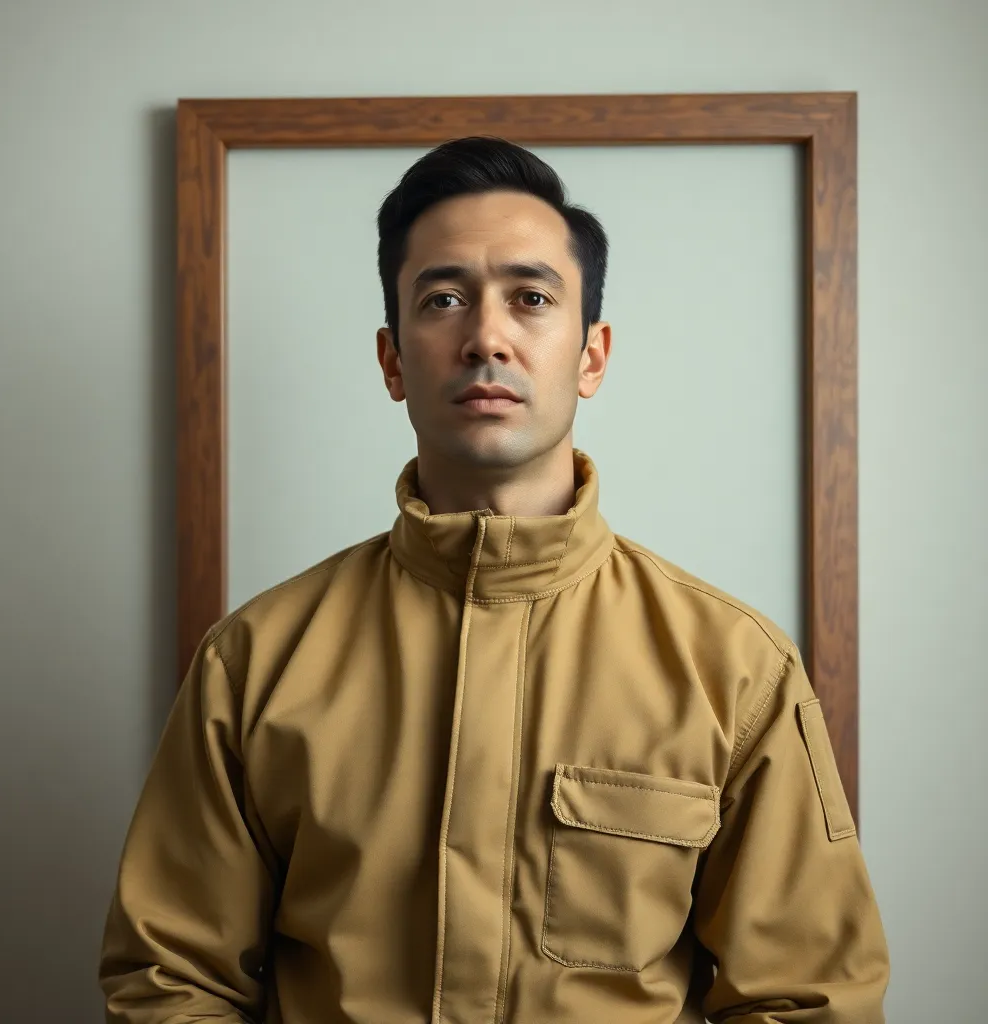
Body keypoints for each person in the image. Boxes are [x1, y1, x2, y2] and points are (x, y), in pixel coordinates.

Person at [100, 137, 889, 1023]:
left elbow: (807, 999)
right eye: (443, 299)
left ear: (591, 355)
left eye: (531, 298)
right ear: (393, 359)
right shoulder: (254, 662)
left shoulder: (736, 670)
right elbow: (171, 982)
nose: (486, 337)